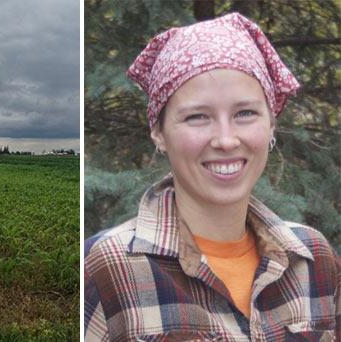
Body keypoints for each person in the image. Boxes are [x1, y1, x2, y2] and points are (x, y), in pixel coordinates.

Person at [84, 13, 339, 341]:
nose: (226, 139)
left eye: (245, 113)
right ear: (159, 133)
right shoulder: (107, 267)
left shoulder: (313, 259)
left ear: (271, 124)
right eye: (197, 117)